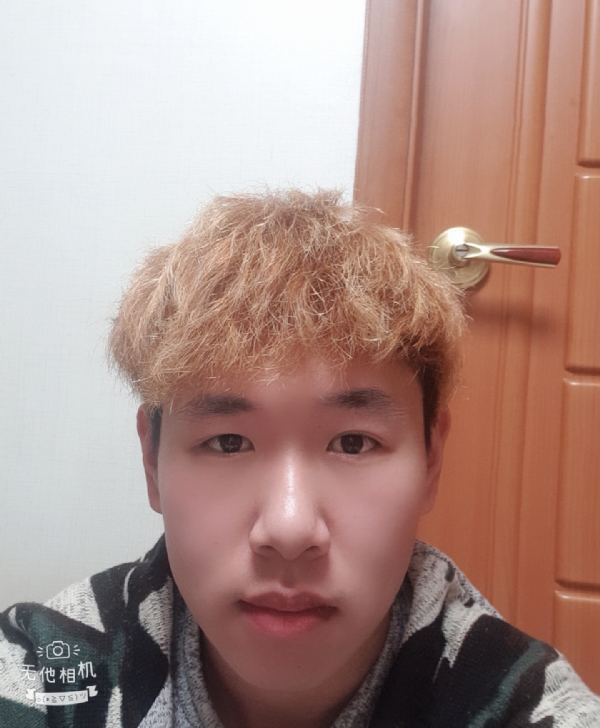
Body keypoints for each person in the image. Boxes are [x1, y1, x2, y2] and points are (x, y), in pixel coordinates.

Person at [1, 189, 598, 728]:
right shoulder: (43, 669)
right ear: (152, 461)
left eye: (353, 442)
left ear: (432, 461)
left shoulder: (526, 706)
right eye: (228, 442)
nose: (289, 531)